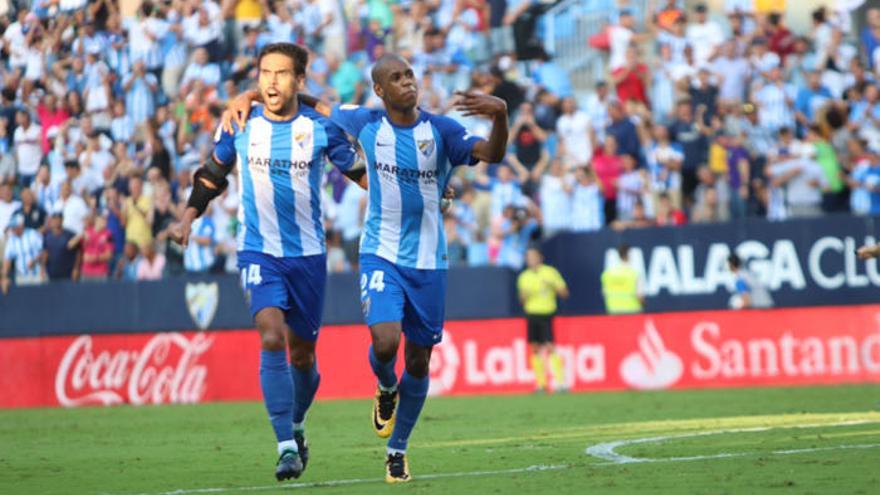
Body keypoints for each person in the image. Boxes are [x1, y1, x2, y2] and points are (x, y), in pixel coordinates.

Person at [224, 53, 509, 483]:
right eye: (396, 77)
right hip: (379, 252)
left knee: (418, 360)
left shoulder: (442, 130)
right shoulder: (365, 123)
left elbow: (493, 152)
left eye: (410, 74)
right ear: (380, 90)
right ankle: (386, 386)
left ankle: (398, 449)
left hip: (430, 261)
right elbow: (307, 102)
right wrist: (249, 94)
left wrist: (501, 116)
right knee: (385, 342)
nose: (407, 82)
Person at [172, 43, 361, 482]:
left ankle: (296, 425)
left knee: (303, 356)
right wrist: (186, 218)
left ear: (299, 80)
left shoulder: (321, 129)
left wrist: (412, 198)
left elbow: (360, 175)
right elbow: (212, 174)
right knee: (271, 337)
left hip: (309, 256)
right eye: (264, 73)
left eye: (281, 73)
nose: (271, 81)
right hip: (258, 251)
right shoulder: (239, 123)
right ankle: (285, 447)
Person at [517, 247, 569, 393]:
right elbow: (521, 300)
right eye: (528, 257)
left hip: (546, 314)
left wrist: (552, 285)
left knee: (550, 346)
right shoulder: (524, 277)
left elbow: (564, 293)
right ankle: (541, 384)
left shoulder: (550, 273)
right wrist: (524, 296)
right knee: (534, 349)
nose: (531, 260)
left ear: (540, 258)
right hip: (532, 314)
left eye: (533, 257)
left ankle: (560, 383)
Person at [2, 213, 45, 294]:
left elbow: (43, 252)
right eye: (12, 227)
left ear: (21, 226)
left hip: (37, 275)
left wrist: (35, 261)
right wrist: (4, 277)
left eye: (15, 227)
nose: (13, 229)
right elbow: (7, 259)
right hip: (21, 277)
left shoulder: (33, 234)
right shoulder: (12, 240)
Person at [601, 244, 643, 314]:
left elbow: (604, 293)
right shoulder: (634, 274)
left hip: (613, 310)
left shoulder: (607, 274)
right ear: (629, 255)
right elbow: (640, 296)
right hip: (632, 311)